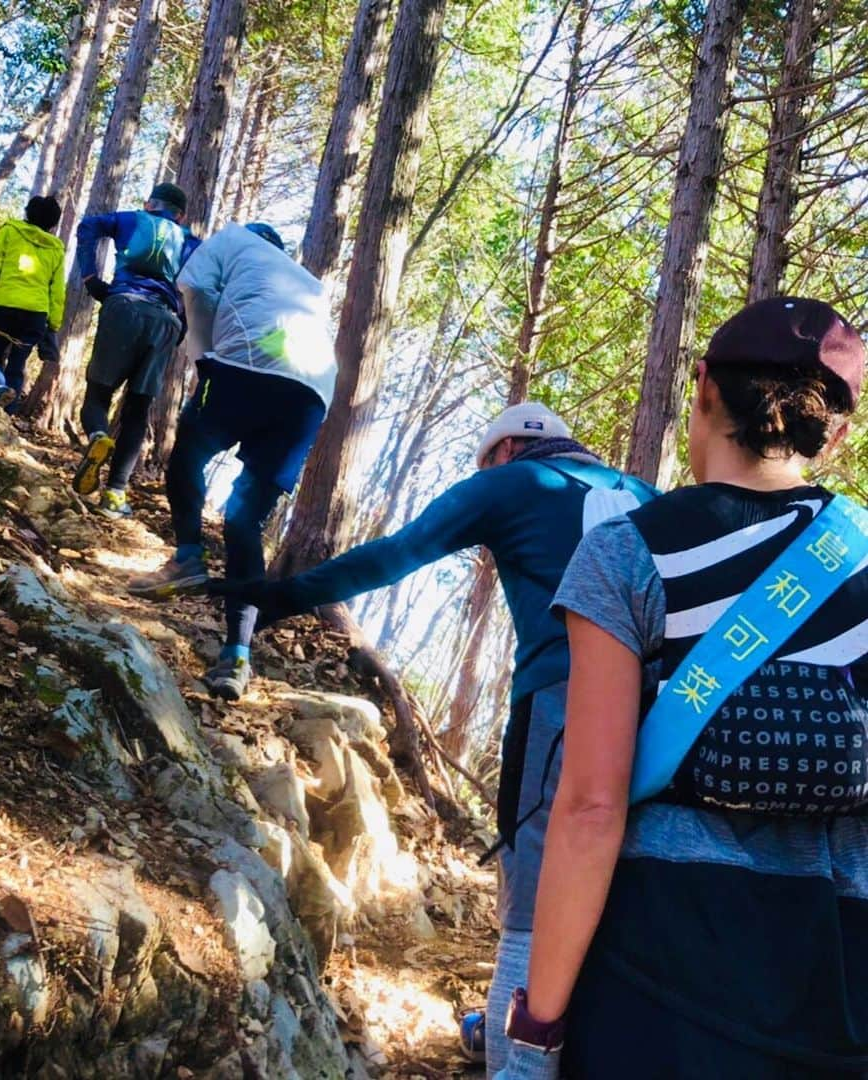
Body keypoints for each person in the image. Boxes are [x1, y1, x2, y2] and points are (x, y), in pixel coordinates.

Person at [211, 401, 657, 1059]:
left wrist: (284, 596)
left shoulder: (514, 481)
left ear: (505, 450)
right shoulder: (644, 494)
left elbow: (401, 553)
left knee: (533, 889)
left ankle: (514, 1059)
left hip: (566, 702)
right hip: (664, 711)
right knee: (619, 881)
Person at [501, 298, 867, 1079]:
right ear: (831, 436)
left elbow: (591, 808)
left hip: (660, 967)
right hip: (843, 979)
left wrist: (539, 1026)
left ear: (700, 388)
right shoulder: (861, 557)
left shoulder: (626, 554)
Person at [128, 221, 338, 701]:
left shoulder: (233, 238)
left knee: (189, 452)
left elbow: (193, 286)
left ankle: (187, 558)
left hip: (247, 370)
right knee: (245, 521)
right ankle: (237, 658)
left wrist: (203, 360)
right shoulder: (307, 283)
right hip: (311, 396)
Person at [70, 182, 199, 519]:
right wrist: (182, 326)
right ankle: (114, 495)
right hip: (165, 321)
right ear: (181, 215)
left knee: (98, 396)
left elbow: (88, 226)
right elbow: (199, 289)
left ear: (149, 204)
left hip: (124, 306)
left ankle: (98, 436)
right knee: (138, 411)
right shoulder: (189, 241)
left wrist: (89, 277)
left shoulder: (131, 220)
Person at [0, 196, 65, 410]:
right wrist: (54, 323)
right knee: (17, 363)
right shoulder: (57, 249)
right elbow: (57, 289)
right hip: (36, 315)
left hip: (6, 306)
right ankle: (7, 412)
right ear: (53, 224)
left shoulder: (10, 231)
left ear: (27, 212)